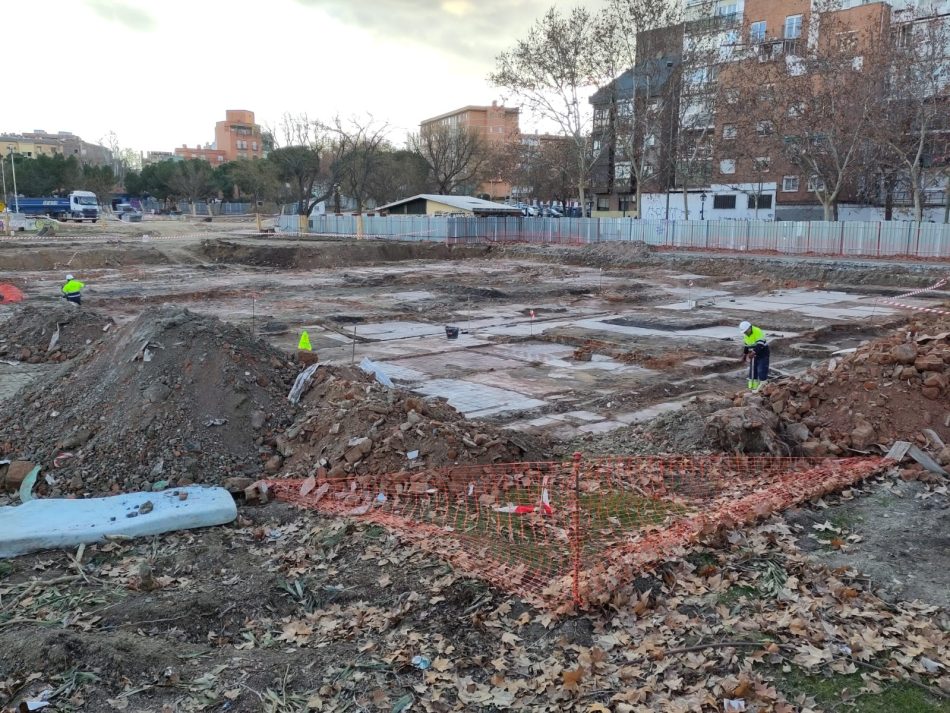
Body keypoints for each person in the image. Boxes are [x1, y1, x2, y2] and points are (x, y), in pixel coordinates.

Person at [739, 320, 769, 390]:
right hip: (754, 352)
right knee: (753, 370)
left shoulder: (757, 331)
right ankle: (753, 386)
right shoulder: (746, 334)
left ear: (750, 328)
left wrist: (753, 353)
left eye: (746, 331)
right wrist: (744, 355)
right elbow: (746, 345)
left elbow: (760, 344)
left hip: (763, 352)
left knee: (761, 369)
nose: (745, 333)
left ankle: (763, 385)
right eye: (744, 332)